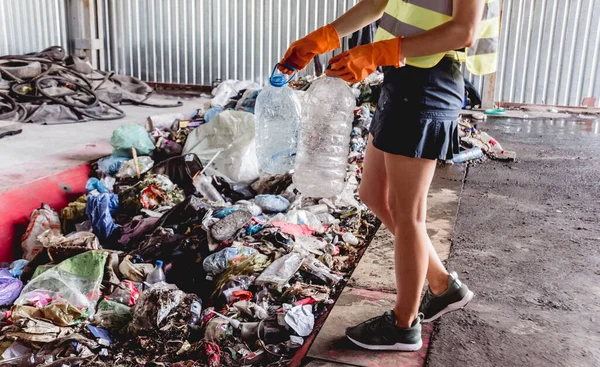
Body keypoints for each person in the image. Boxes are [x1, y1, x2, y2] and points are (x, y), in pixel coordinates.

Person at [278, 0, 500, 351]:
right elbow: (381, 2)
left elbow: (464, 31)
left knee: (407, 213)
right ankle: (442, 285)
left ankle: (403, 325)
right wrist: (324, 37)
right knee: (372, 193)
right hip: (401, 78)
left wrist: (379, 51)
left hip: (430, 82)